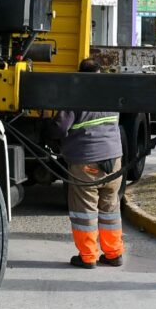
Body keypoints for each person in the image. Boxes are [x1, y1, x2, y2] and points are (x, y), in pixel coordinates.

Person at [50, 58, 124, 269]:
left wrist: (48, 130)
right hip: (114, 160)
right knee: (110, 209)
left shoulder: (76, 96)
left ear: (80, 74)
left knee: (85, 210)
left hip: (86, 162)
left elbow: (59, 128)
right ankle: (114, 253)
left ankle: (88, 256)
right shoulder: (109, 95)